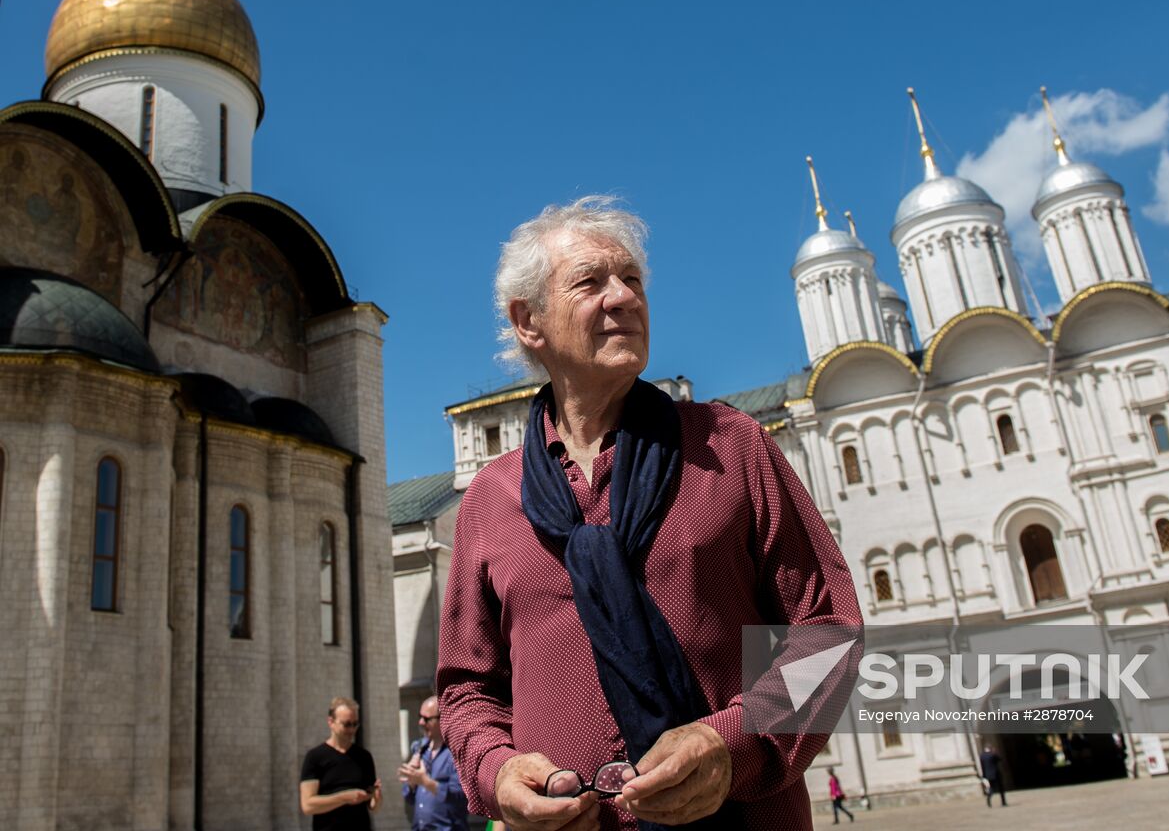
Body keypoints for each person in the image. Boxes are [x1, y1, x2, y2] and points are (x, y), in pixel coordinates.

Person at [436, 197, 862, 831]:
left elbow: (828, 634)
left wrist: (732, 743)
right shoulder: (489, 502)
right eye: (590, 282)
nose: (623, 297)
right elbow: (467, 690)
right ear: (530, 322)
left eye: (632, 279)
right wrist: (499, 772)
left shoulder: (729, 445)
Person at [300, 696, 382, 830]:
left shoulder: (364, 757)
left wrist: (377, 799)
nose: (352, 730)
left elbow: (372, 806)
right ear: (331, 722)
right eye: (347, 724)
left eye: (355, 724)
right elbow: (308, 805)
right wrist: (344, 798)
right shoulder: (315, 757)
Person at [400, 695, 474, 829]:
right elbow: (410, 798)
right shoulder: (421, 749)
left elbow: (461, 797)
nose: (421, 723)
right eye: (420, 717)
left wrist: (426, 782)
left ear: (443, 720)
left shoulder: (456, 753)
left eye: (427, 719)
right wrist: (411, 782)